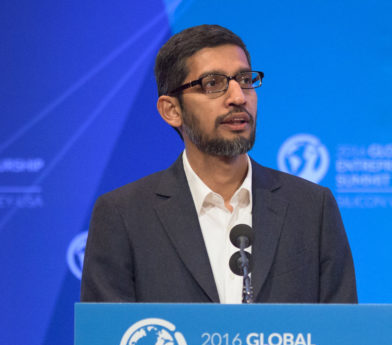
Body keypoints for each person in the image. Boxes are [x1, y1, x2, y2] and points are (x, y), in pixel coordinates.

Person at [80, 24, 357, 304]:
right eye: (213, 84)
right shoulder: (124, 215)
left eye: (245, 80)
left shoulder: (311, 208)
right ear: (172, 110)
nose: (238, 97)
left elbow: (342, 335)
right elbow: (108, 340)